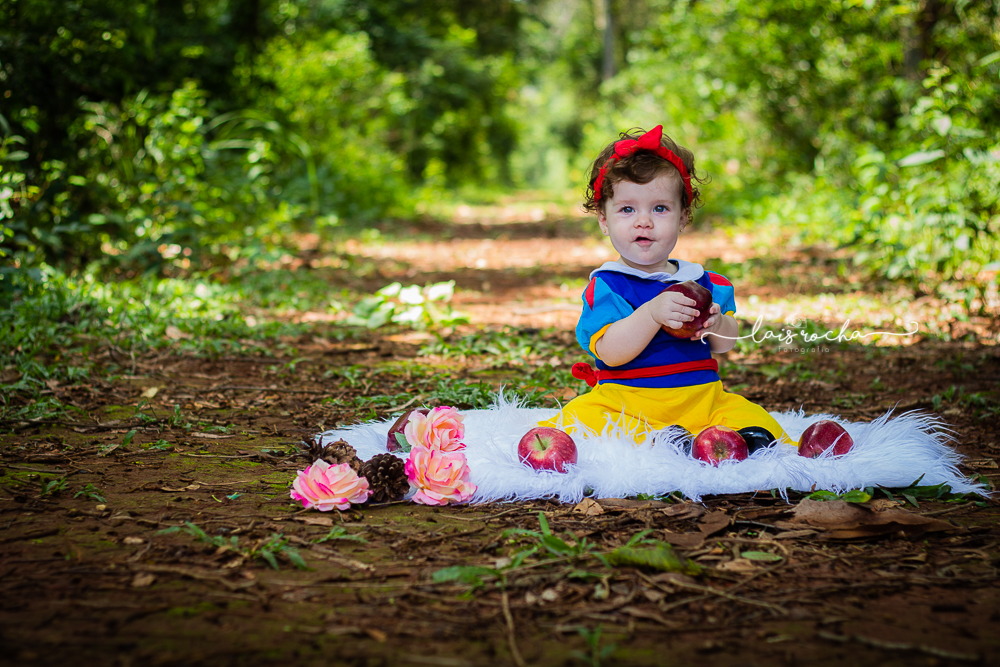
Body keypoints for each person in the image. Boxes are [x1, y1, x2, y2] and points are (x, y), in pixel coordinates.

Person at [538, 125, 791, 449]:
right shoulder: (609, 286)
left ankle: (732, 441)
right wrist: (652, 313)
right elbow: (611, 354)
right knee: (578, 424)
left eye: (660, 208)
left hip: (702, 401)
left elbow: (724, 346)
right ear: (603, 219)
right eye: (627, 209)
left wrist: (717, 322)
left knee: (755, 418)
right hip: (625, 405)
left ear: (683, 216)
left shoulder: (704, 281)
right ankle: (678, 443)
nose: (644, 221)